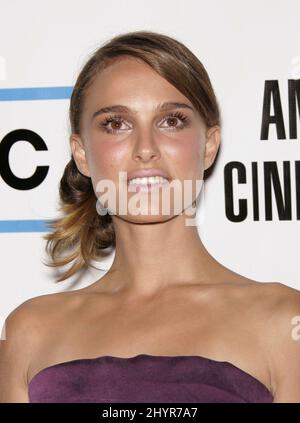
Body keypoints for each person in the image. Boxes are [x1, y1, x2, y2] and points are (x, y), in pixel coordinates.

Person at [0, 30, 300, 403]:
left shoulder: (283, 321)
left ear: (208, 145)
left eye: (171, 121)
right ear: (80, 154)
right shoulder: (29, 331)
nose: (145, 149)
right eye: (116, 124)